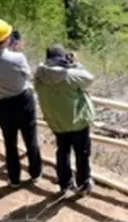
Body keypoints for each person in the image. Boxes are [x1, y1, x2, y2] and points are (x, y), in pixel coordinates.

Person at [0, 19, 42, 188]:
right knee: (30, 138)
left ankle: (14, 178)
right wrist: (17, 50)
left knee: (9, 141)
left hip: (1, 104)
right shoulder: (18, 58)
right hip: (22, 101)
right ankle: (35, 173)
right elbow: (28, 75)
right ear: (8, 38)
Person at [33, 44, 95, 195]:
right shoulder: (70, 75)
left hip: (56, 122)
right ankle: (83, 183)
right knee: (82, 153)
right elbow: (89, 79)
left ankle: (65, 184)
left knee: (62, 152)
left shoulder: (39, 75)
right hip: (77, 121)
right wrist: (76, 64)